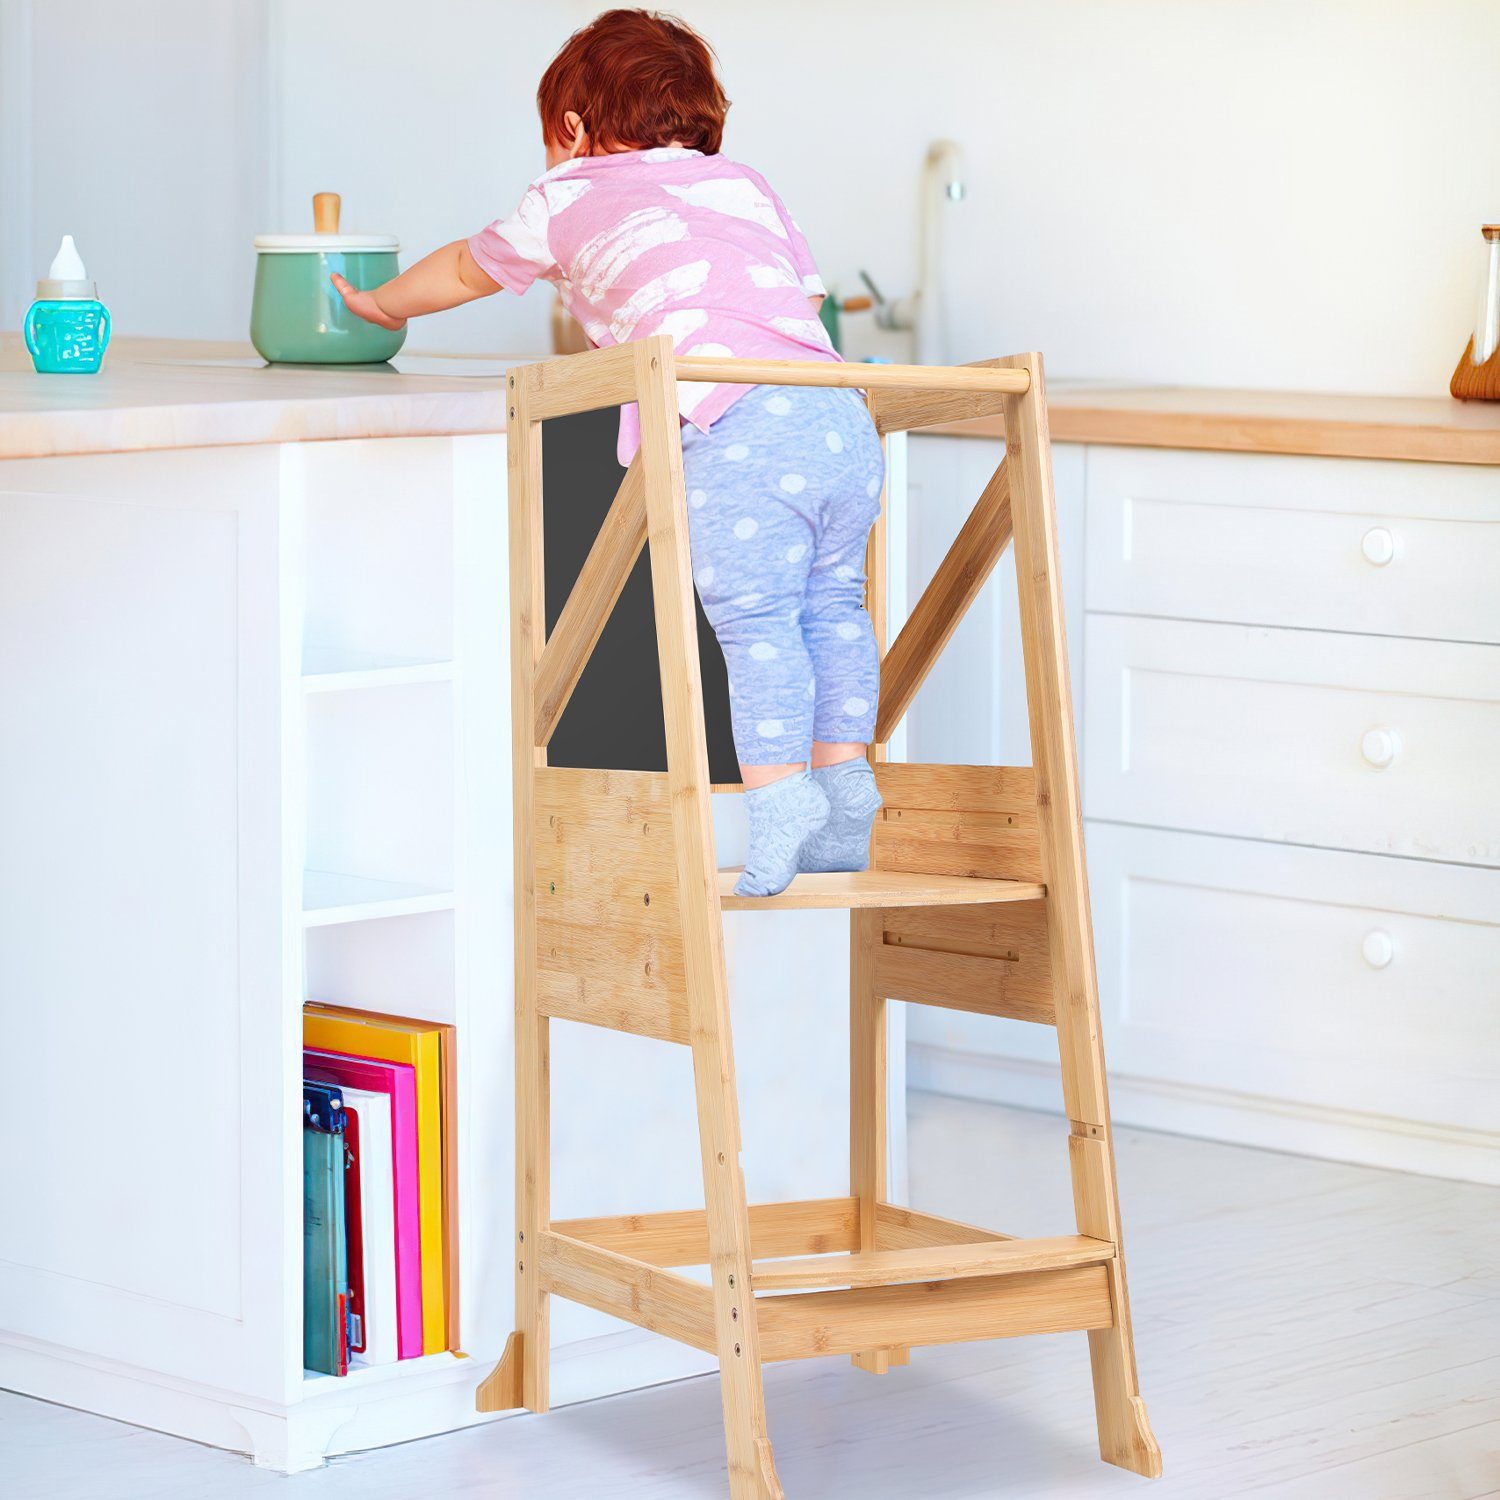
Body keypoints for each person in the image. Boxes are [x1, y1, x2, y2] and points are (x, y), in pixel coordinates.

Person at [334, 8, 884, 896]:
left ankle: (780, 801)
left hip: (733, 420)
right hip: (840, 414)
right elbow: (797, 298)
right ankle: (846, 782)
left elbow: (467, 271)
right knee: (834, 608)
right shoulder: (744, 182)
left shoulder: (566, 196)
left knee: (756, 625)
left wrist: (385, 306)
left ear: (575, 129)